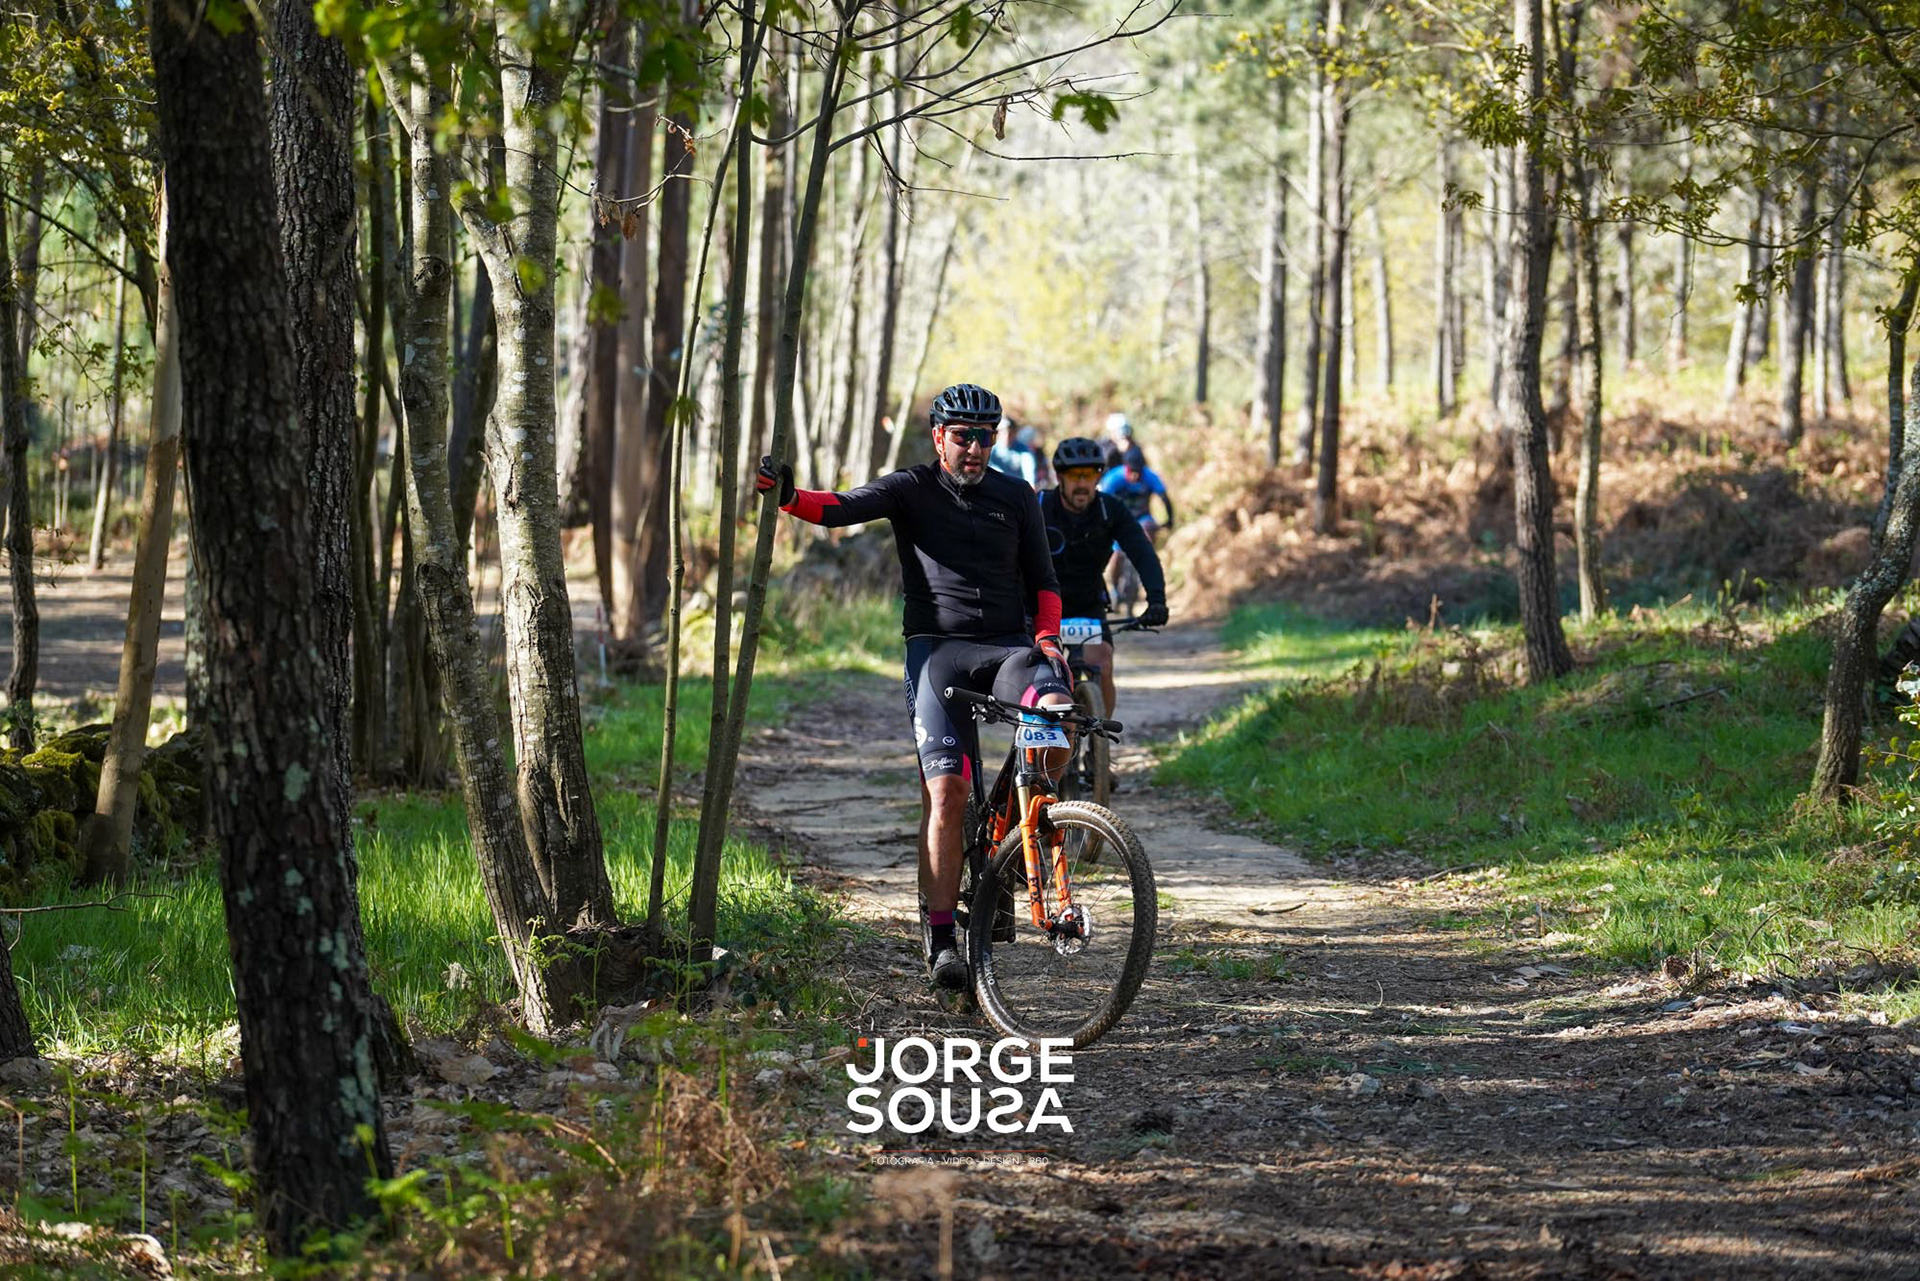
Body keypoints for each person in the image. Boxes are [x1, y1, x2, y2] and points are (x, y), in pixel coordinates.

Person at [756, 383, 1075, 992]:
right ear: (939, 437)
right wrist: (789, 496)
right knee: (948, 794)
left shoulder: (1017, 495)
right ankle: (943, 937)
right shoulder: (910, 488)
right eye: (963, 436)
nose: (975, 448)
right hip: (938, 654)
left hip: (1009, 650)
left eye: (986, 437)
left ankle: (1016, 829)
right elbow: (839, 508)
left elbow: (1045, 582)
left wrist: (1049, 640)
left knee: (1058, 720)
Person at [1041, 437, 1168, 721]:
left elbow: (1143, 553)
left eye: (1090, 475)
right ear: (1060, 477)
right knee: (1042, 675)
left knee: (1103, 663)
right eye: (1075, 475)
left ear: (1099, 476)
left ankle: (1101, 737)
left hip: (1088, 604)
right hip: (1041, 605)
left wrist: (1157, 600)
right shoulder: (1039, 507)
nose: (1082, 483)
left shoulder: (1110, 510)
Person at [988, 417, 1037, 487]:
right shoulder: (991, 449)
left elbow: (1029, 471)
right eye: (1003, 432)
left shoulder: (1023, 450)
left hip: (1016, 488)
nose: (1006, 436)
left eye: (1010, 432)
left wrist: (1030, 485)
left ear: (1015, 433)